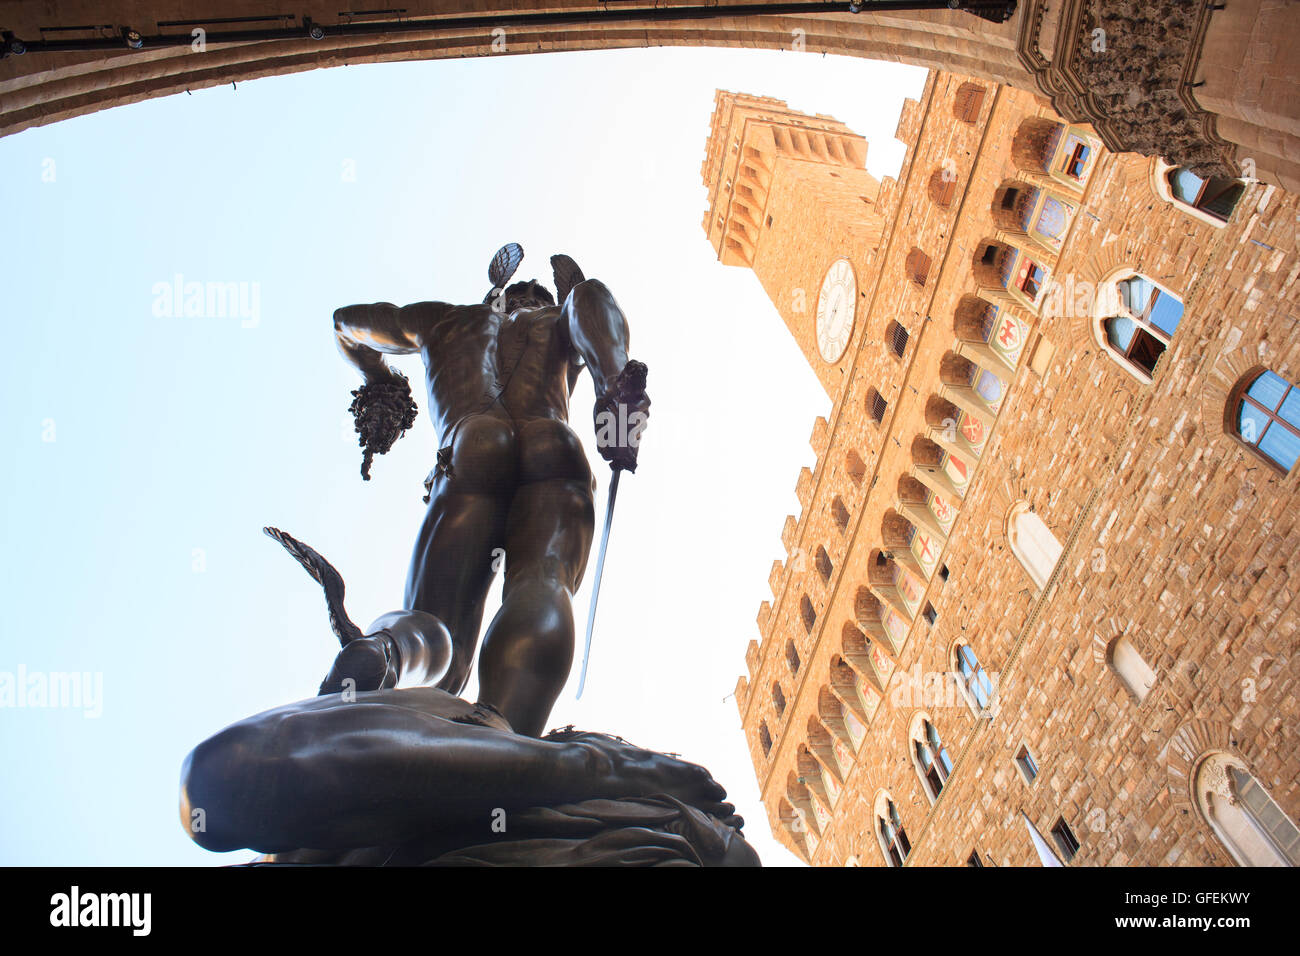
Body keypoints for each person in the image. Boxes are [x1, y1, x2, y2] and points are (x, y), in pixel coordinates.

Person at [328, 247, 649, 738]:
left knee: (436, 626)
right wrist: (611, 379)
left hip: (469, 446)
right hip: (553, 446)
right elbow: (589, 297)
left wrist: (379, 379)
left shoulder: (441, 321)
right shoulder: (560, 320)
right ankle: (504, 732)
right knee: (543, 583)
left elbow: (346, 323)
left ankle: (385, 651)